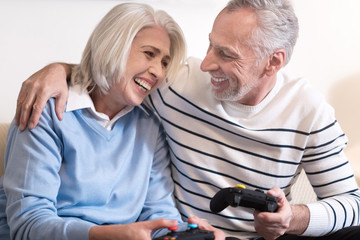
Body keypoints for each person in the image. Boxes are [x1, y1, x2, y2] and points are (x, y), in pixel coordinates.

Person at [12, 0, 360, 239]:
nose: (206, 64)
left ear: (273, 62)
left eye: (226, 54)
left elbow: (352, 205)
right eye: (210, 45)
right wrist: (58, 70)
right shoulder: (172, 86)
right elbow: (108, 76)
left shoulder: (311, 111)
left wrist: (291, 219)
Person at [0, 2, 224, 240]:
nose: (158, 72)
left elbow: (158, 214)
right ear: (113, 46)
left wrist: (188, 233)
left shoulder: (150, 127)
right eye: (149, 54)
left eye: (164, 63)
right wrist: (113, 235)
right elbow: (28, 226)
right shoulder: (46, 111)